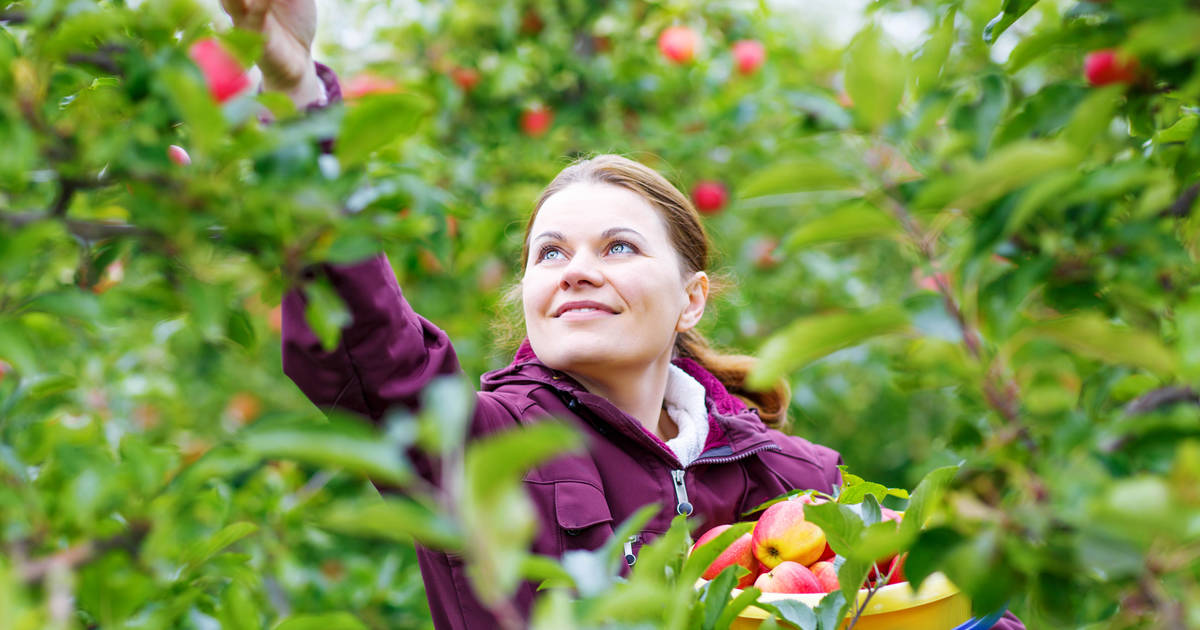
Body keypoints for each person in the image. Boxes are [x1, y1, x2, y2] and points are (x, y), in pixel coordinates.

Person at [220, 2, 1027, 628]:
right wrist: (297, 105)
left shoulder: (790, 479)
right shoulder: (485, 450)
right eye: (549, 254)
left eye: (617, 249)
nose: (575, 272)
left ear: (691, 298)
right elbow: (371, 353)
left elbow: (945, 603)